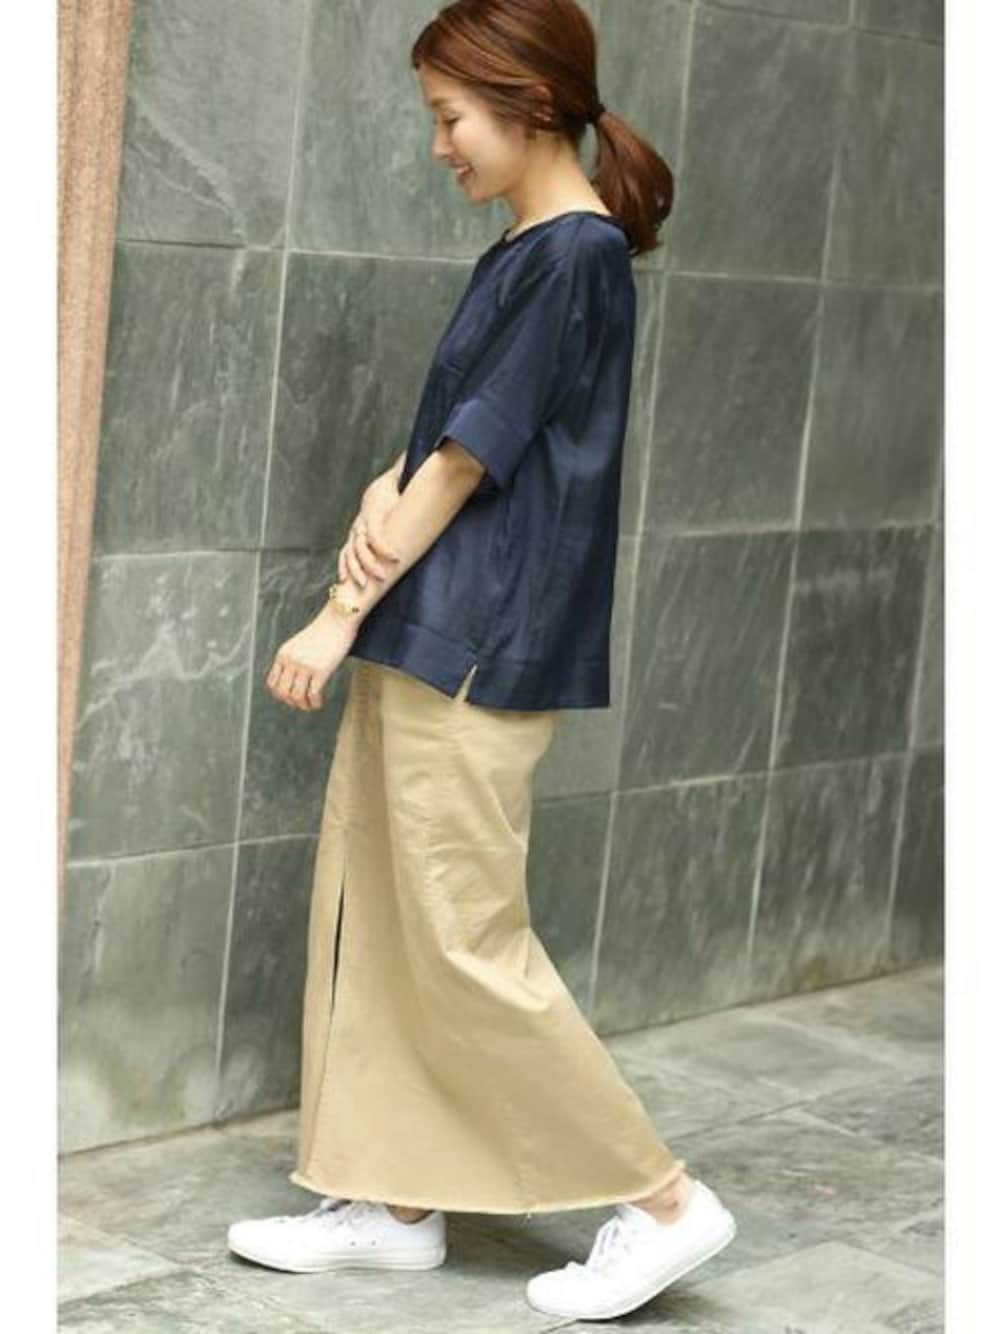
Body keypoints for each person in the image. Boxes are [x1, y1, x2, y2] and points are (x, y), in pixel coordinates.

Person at [227, 0, 736, 1320]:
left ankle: (664, 1202)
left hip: (478, 645)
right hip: (435, 627)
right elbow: (444, 441)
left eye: (452, 118)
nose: (441, 145)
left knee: (460, 937)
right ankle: (395, 1201)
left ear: (530, 103)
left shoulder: (576, 256)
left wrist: (338, 614)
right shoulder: (526, 249)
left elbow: (467, 462)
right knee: (386, 914)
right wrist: (377, 492)